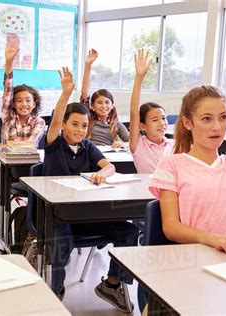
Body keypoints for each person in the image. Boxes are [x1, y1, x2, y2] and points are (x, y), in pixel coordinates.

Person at [44, 66, 138, 312]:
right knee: (61, 241)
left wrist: (101, 173)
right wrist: (66, 93)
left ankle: (112, 284)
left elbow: (110, 167)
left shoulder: (87, 146)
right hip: (58, 216)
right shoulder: (54, 144)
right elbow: (54, 120)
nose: (79, 130)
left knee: (128, 233)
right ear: (63, 125)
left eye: (84, 126)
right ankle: (54, 292)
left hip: (87, 214)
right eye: (74, 124)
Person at [149, 68, 226, 256]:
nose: (217, 127)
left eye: (223, 117)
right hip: (192, 263)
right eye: (206, 119)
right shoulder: (171, 165)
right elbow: (171, 227)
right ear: (188, 123)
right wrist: (215, 239)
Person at [129, 49, 174, 173]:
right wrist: (139, 77)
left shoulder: (174, 145)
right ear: (143, 126)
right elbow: (134, 112)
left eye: (163, 118)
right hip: (146, 191)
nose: (162, 123)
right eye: (155, 120)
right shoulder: (138, 145)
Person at [81, 49, 129, 147]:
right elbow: (84, 93)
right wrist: (88, 65)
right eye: (99, 102)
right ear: (92, 106)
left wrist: (123, 144)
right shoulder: (88, 118)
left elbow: (133, 142)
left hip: (109, 158)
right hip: (89, 156)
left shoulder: (117, 125)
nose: (103, 106)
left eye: (107, 102)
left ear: (112, 106)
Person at [1, 43, 45, 147]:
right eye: (19, 101)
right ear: (14, 104)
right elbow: (8, 89)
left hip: (30, 162)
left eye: (28, 100)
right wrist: (9, 62)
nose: (24, 104)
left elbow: (30, 144)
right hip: (8, 162)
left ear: (34, 104)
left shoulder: (39, 121)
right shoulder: (8, 117)